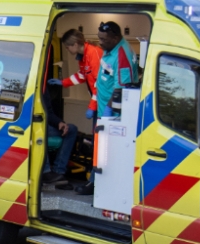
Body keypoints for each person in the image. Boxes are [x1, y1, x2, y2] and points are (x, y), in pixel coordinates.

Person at [75, 21, 138, 196]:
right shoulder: (111, 50)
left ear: (115, 38)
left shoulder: (121, 54)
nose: (100, 42)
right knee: (99, 149)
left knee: (103, 153)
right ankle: (96, 184)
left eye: (104, 39)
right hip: (102, 110)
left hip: (112, 116)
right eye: (99, 38)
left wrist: (109, 111)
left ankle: (96, 185)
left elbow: (122, 87)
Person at [47, 28, 103, 120]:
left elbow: (100, 84)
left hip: (103, 101)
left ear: (75, 44)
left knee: (99, 132)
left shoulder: (93, 53)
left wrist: (92, 106)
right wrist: (63, 82)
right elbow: (82, 75)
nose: (67, 49)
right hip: (98, 101)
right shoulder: (83, 56)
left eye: (67, 47)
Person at [40, 86, 78, 188]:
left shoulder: (43, 87)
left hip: (43, 124)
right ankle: (45, 172)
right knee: (39, 130)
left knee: (71, 129)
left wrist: (59, 123)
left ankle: (58, 173)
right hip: (31, 125)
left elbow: (48, 112)